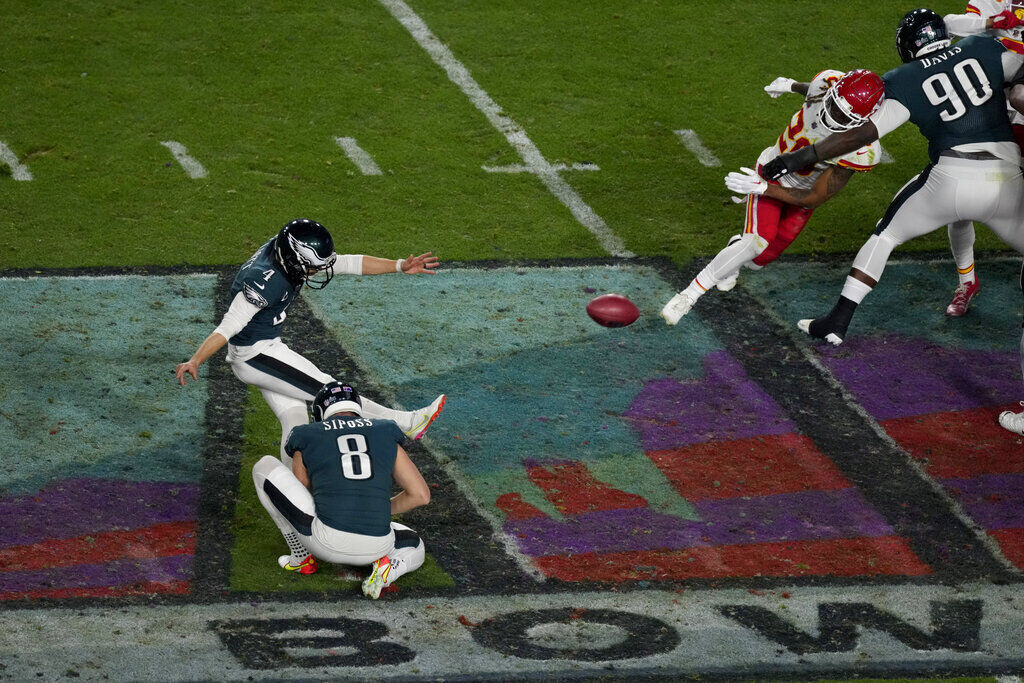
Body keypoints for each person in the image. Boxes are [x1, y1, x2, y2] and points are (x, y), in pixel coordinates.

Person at [761, 8, 1024, 346]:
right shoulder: (984, 48)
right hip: (1005, 179)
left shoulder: (902, 78)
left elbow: (860, 134)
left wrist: (797, 157)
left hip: (950, 178)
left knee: (885, 237)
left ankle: (837, 321)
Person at [175, 218, 446, 464]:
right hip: (255, 356)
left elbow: (348, 263)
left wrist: (399, 265)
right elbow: (229, 325)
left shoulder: (285, 253)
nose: (319, 271)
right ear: (294, 260)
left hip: (266, 347)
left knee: (294, 420)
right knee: (333, 393)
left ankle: (289, 486)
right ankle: (406, 422)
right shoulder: (264, 281)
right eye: (313, 267)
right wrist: (196, 359)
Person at [661, 69, 886, 324]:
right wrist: (791, 86)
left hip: (800, 194)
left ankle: (735, 248)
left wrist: (761, 189)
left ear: (862, 121)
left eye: (842, 114)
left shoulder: (862, 150)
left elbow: (813, 198)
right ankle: (688, 296)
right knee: (756, 242)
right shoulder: (826, 84)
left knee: (760, 259)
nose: (832, 114)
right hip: (771, 171)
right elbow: (813, 88)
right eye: (833, 103)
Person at [252, 381, 429, 598]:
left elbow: (303, 488)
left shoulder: (306, 433)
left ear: (319, 412)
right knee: (414, 542)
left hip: (325, 541)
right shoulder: (386, 430)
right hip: (378, 545)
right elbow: (421, 495)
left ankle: (301, 556)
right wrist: (379, 508)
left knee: (264, 466)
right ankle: (389, 571)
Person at [940, 1, 1024, 315]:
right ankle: (966, 280)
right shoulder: (994, 0)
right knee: (957, 196)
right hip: (990, 107)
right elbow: (950, 25)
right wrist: (990, 22)